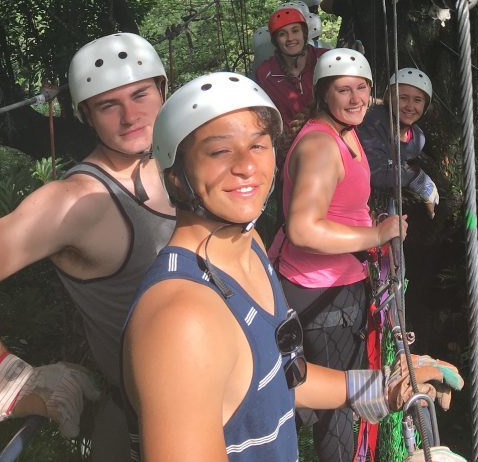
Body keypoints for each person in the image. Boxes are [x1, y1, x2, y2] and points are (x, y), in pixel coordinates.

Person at [122, 72, 460, 461]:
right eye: (219, 152)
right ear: (176, 179)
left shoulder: (248, 249)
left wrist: (379, 387)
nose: (247, 166)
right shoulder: (182, 321)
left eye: (259, 145)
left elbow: (277, 376)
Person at [0, 32, 175, 460]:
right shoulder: (75, 203)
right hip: (154, 429)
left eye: (140, 94)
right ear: (86, 115)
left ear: (163, 88)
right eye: (108, 105)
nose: (130, 116)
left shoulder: (175, 161)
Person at [271, 48, 406, 462]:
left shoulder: (345, 133)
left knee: (323, 398)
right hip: (322, 295)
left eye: (362, 88)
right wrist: (375, 234)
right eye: (343, 90)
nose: (355, 98)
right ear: (323, 95)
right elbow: (303, 228)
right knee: (337, 408)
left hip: (329, 287)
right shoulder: (320, 145)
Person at [358, 68, 440, 217]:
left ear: (425, 106)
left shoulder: (417, 139)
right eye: (403, 98)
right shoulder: (374, 120)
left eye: (417, 100)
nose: (410, 106)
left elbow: (394, 167)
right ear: (390, 98)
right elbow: (375, 172)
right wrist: (416, 178)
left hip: (383, 205)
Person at [254, 4, 327, 127]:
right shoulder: (265, 73)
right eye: (282, 34)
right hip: (288, 142)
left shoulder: (324, 60)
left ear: (304, 34)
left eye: (295, 31)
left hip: (328, 138)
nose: (290, 38)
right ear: (276, 41)